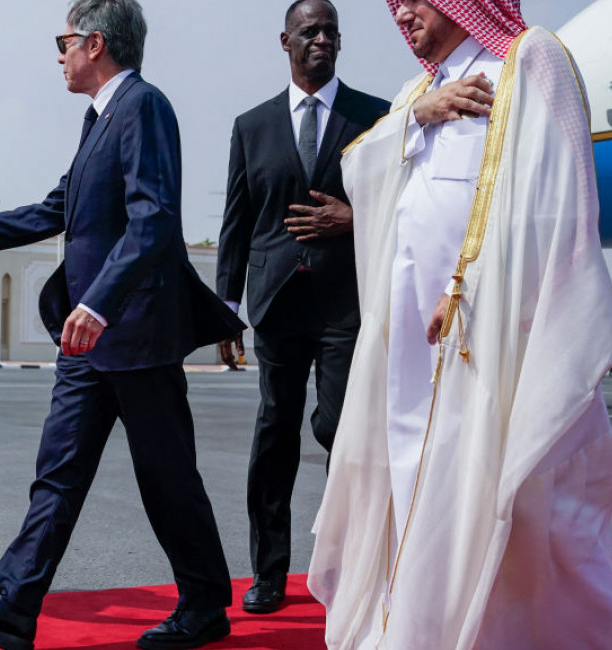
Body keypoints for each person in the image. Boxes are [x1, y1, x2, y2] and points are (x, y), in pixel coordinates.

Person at [307, 1, 612, 648]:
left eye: (415, 0)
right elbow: (359, 168)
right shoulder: (418, 91)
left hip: (494, 339)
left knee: (527, 510)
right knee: (422, 490)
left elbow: (560, 198)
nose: (403, 14)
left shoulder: (528, 60)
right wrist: (413, 118)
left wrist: (474, 283)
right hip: (414, 348)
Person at [0, 2, 243, 648]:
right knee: (57, 471)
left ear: (94, 44)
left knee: (166, 477)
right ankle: (13, 601)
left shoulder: (143, 106)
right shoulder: (99, 119)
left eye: (62, 43)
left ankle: (205, 605)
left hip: (133, 332)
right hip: (85, 340)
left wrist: (100, 302)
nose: (57, 57)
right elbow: (59, 207)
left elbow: (154, 219)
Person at [215, 0, 388, 615]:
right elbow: (236, 224)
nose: (322, 39)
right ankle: (268, 574)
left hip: (347, 302)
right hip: (277, 303)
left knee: (340, 429)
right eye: (310, 31)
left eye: (331, 32)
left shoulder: (376, 117)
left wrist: (355, 216)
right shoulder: (251, 125)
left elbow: (404, 204)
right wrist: (225, 309)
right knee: (274, 437)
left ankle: (355, 567)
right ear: (284, 40)